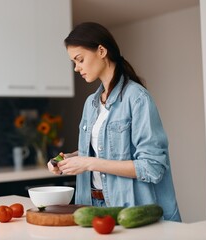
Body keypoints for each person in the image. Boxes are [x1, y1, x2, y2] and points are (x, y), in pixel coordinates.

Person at [47, 22, 181, 221]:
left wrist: (88, 163)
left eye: (80, 59)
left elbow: (152, 167)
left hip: (131, 209)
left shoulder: (137, 98)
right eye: (74, 63)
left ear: (101, 51)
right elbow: (102, 149)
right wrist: (71, 159)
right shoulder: (90, 103)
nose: (76, 68)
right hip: (92, 205)